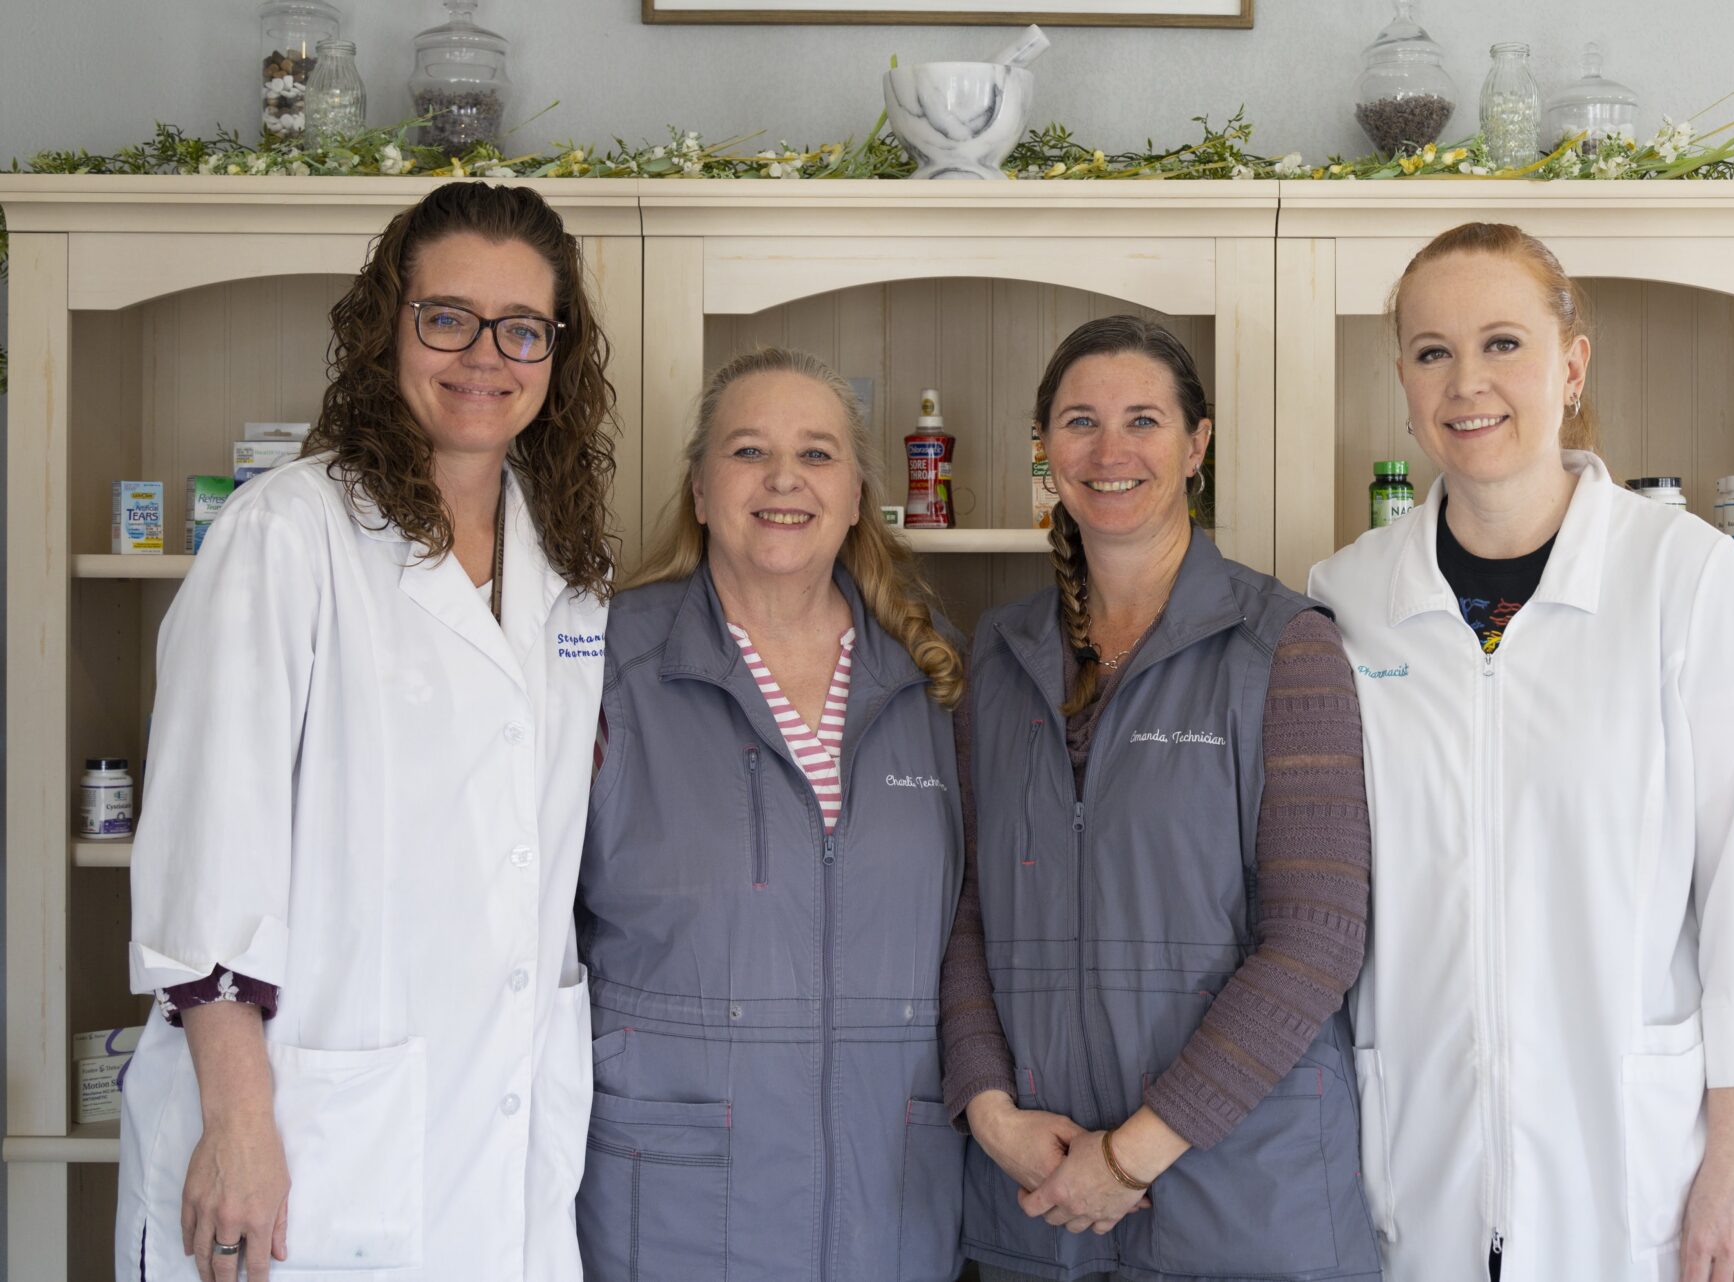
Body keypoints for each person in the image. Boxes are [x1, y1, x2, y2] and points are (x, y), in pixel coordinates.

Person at [116, 182, 619, 1282]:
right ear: (385, 326)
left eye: (522, 329)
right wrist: (241, 1125)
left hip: (502, 1139)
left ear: (557, 354)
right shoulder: (286, 536)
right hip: (306, 1126)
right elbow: (210, 856)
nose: (485, 355)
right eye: (447, 316)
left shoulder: (572, 569)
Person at [1308, 222, 1734, 1282]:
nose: (1468, 383)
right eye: (1431, 350)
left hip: (1641, 1160)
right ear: (1402, 377)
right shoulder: (1350, 598)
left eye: (1504, 343)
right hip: (1424, 1151)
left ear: (1572, 365)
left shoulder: (1685, 579)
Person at [940, 315, 1381, 1282]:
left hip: (1246, 1207)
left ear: (1197, 446)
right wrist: (986, 1106)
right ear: (1045, 452)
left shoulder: (1284, 649)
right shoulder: (998, 658)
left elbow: (1316, 938)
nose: (1110, 452)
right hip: (1039, 1206)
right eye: (1079, 422)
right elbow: (962, 906)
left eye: (1143, 419)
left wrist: (1130, 1154)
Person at [575, 347, 968, 1282]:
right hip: (671, 1201)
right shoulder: (604, 661)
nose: (785, 479)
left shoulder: (934, 674)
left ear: (859, 492)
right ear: (701, 491)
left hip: (893, 1197)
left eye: (819, 454)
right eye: (749, 451)